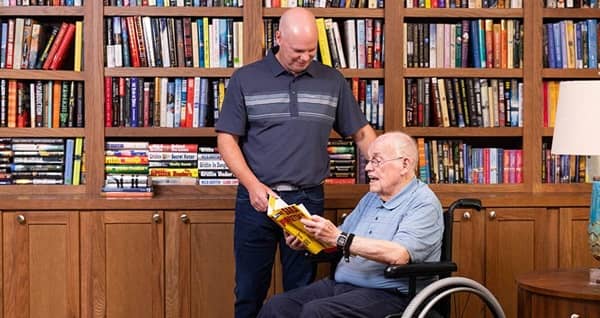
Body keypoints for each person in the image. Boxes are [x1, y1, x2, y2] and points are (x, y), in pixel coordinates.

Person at [215, 7, 377, 318]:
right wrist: (252, 186)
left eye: (311, 50)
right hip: (257, 200)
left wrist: (389, 167)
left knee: (302, 293)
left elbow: (360, 132)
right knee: (248, 291)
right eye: (297, 51)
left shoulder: (332, 81)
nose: (304, 57)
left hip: (307, 201)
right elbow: (227, 140)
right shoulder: (245, 79)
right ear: (278, 39)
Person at [257, 131, 444, 318]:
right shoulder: (371, 198)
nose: (368, 168)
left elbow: (399, 254)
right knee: (277, 306)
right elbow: (338, 238)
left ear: (405, 164)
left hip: (392, 294)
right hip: (344, 286)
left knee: (316, 312)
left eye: (376, 161)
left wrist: (338, 237)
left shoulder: (423, 202)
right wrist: (306, 238)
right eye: (369, 161)